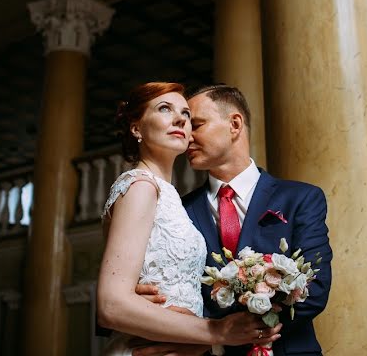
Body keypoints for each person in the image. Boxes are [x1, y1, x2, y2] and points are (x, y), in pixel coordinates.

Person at [132, 84, 333, 356]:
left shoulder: (301, 198)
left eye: (198, 124)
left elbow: (314, 289)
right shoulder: (178, 211)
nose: (187, 135)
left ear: (235, 125)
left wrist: (221, 330)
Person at [97, 82, 282, 356]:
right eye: (164, 109)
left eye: (186, 114)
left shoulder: (171, 197)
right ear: (136, 128)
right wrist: (216, 331)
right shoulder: (140, 186)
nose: (180, 120)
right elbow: (111, 305)